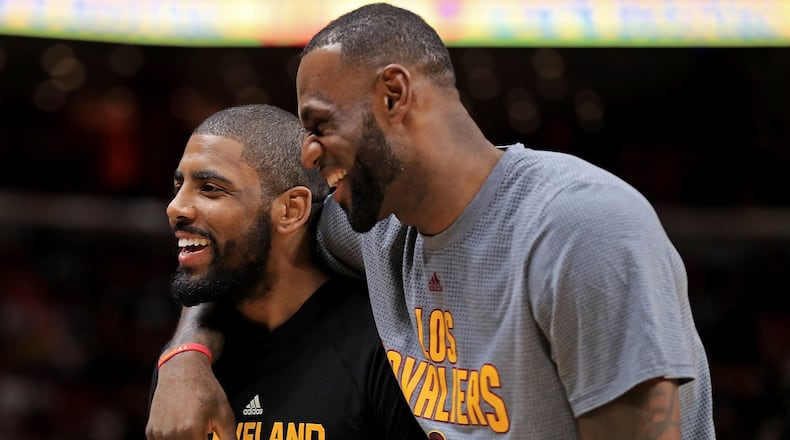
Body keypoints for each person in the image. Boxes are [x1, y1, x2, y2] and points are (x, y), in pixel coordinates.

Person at [149, 3, 716, 439]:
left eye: (320, 125)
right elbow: (234, 248)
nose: (309, 153)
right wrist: (184, 359)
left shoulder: (578, 228)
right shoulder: (376, 228)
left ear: (394, 94)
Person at [145, 104, 427, 440]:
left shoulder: (383, 349)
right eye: (179, 186)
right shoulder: (187, 370)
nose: (175, 207)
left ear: (291, 210)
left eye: (210, 188)